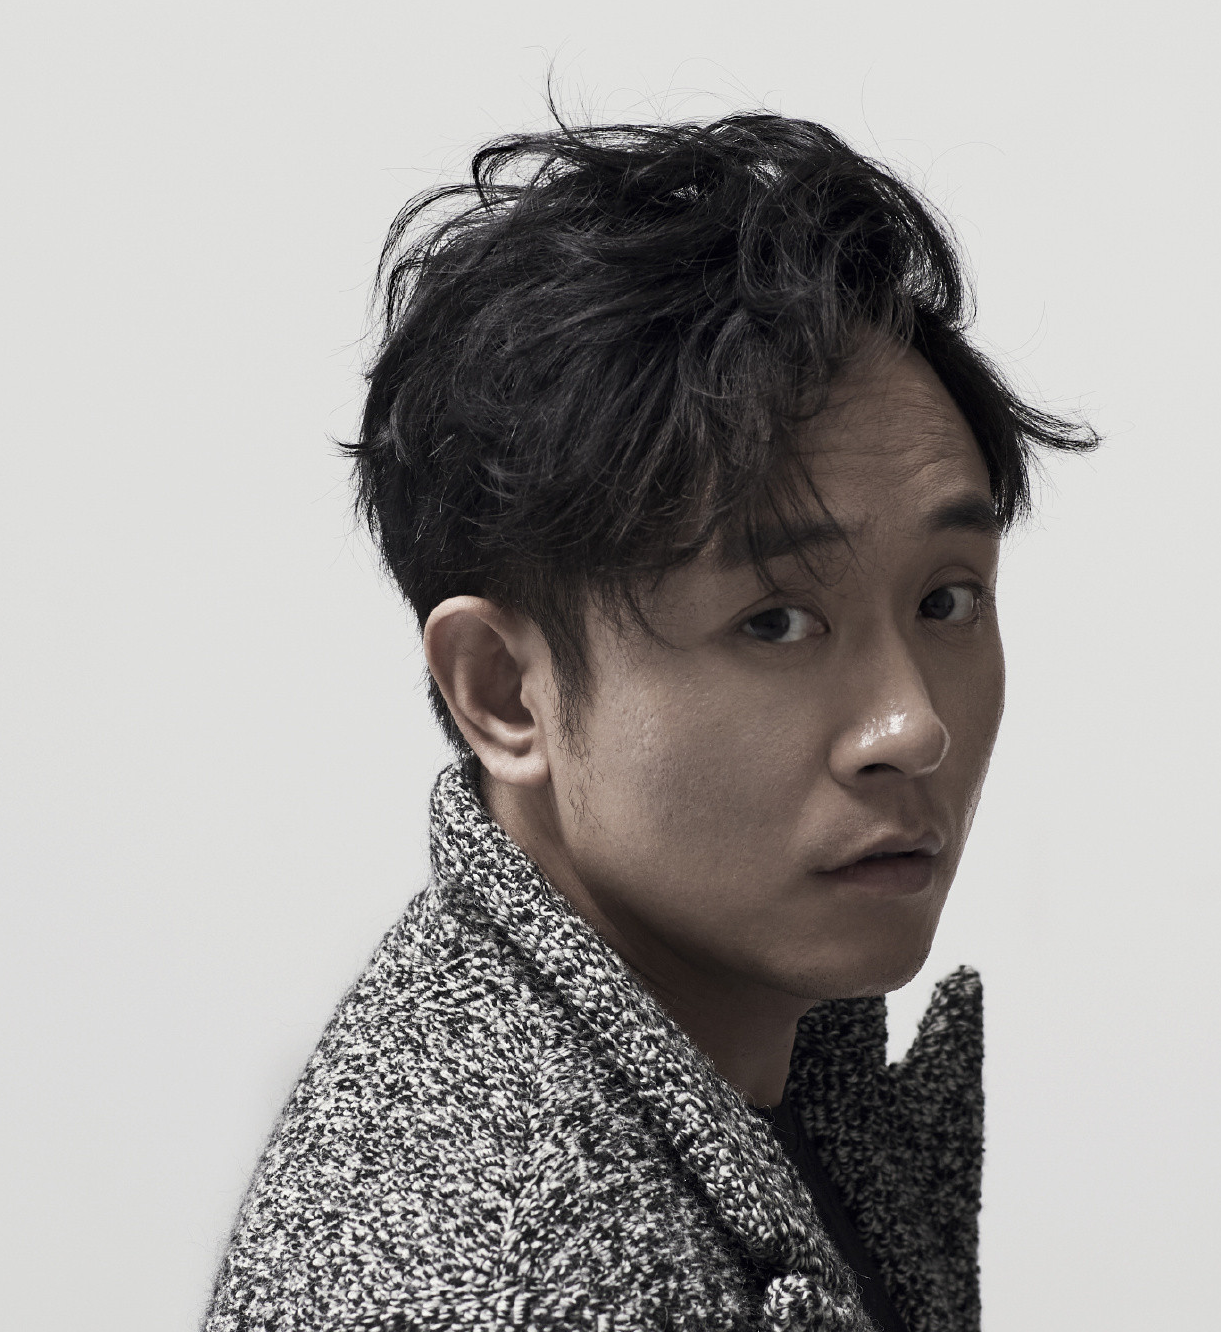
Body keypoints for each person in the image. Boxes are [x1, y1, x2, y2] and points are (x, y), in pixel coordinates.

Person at [204, 112, 1094, 1332]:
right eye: (774, 621)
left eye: (946, 599)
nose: (911, 724)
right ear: (502, 691)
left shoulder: (750, 1060)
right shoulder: (522, 1270)